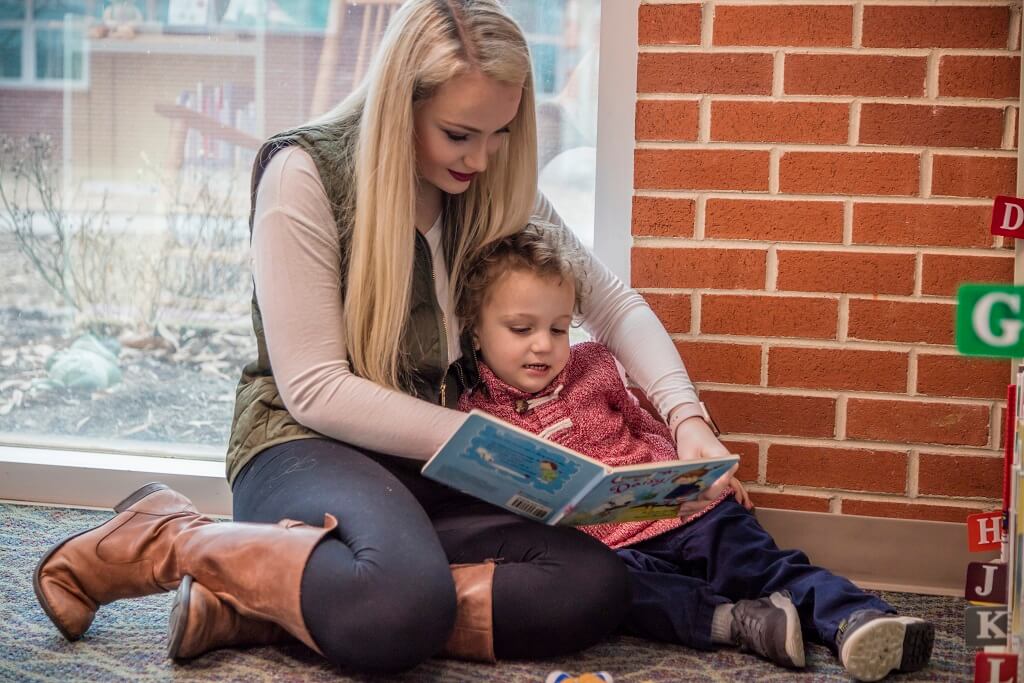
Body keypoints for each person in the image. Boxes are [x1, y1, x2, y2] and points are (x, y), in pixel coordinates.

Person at [30, 0, 724, 673]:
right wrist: (492, 448)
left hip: (427, 460)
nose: (482, 160)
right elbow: (315, 388)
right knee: (398, 607)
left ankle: (264, 604)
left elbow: (612, 303)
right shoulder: (302, 174)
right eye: (460, 134)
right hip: (303, 445)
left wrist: (686, 418)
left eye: (500, 134)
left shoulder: (489, 182)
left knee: (594, 583)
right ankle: (171, 537)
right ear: (402, 107)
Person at [456, 224, 936, 682]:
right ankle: (740, 622)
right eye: (522, 329)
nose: (544, 345)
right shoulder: (474, 416)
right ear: (475, 331)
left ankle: (857, 620)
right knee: (628, 598)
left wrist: (700, 475)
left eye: (559, 329)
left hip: (684, 513)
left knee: (757, 563)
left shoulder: (594, 366)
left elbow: (644, 425)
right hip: (611, 550)